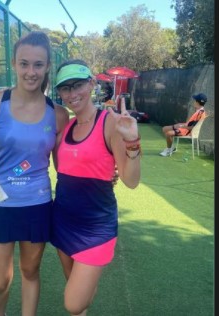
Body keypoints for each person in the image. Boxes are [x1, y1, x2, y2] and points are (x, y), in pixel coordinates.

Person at [0, 31, 69, 316]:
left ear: (47, 66)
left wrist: (106, 173)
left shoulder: (58, 114)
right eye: (24, 64)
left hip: (37, 205)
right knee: (0, 282)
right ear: (14, 64)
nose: (31, 72)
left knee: (30, 272)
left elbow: (66, 164)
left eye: (38, 64)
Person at [51, 59, 141, 316]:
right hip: (63, 221)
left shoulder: (110, 122)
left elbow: (131, 181)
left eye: (77, 85)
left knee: (74, 302)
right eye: (65, 88)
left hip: (96, 227)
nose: (72, 94)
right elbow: (64, 171)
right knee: (75, 297)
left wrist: (132, 140)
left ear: (91, 84)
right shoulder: (65, 127)